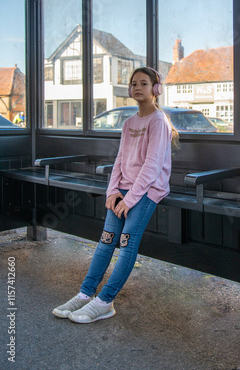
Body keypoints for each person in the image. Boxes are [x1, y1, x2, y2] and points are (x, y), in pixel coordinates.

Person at [52, 67, 179, 324]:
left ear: (156, 89)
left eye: (144, 83)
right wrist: (112, 192)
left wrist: (129, 199)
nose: (137, 88)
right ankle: (85, 294)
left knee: (126, 243)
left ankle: (105, 301)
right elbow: (120, 160)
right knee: (106, 240)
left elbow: (152, 167)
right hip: (123, 190)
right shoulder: (129, 123)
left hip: (147, 190)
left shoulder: (158, 121)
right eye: (134, 84)